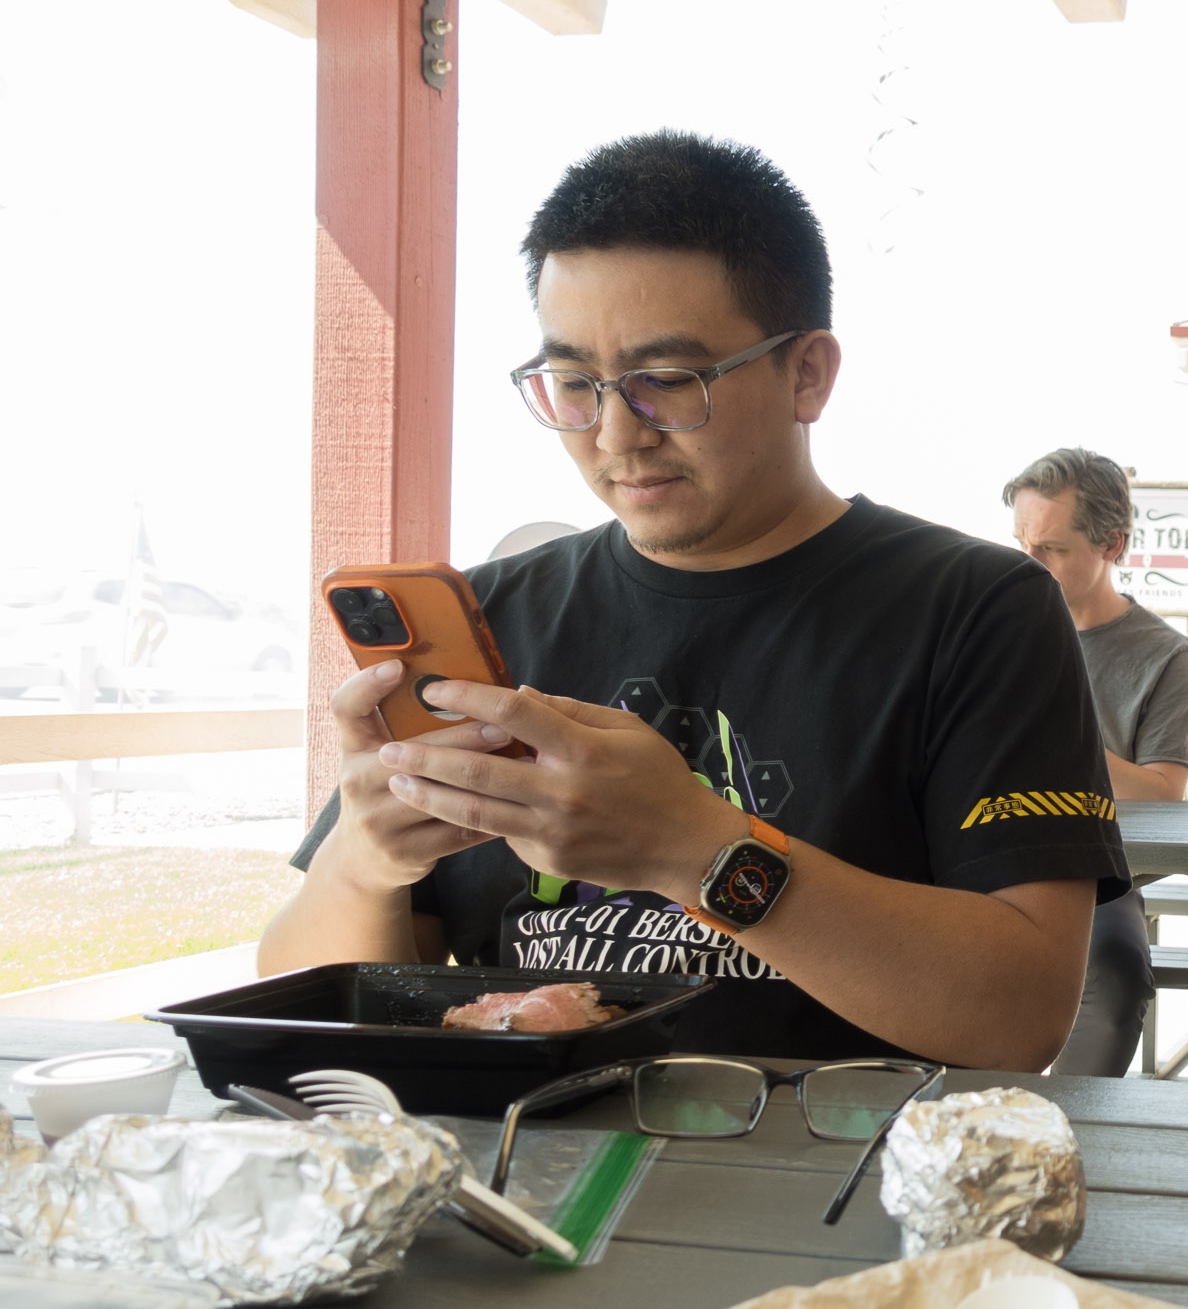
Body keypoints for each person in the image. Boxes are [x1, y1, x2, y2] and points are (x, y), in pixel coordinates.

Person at [261, 131, 1129, 1071]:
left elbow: (1022, 1014)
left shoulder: (977, 608)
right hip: (531, 1169)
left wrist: (697, 852)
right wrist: (367, 859)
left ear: (809, 373)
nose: (616, 433)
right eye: (573, 384)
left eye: (667, 382)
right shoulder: (496, 616)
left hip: (839, 1182)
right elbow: (322, 1004)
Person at [1006, 448, 1188, 1074]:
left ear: (1112, 544)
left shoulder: (1165, 655)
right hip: (972, 856)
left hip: (1095, 873)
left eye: (1052, 550)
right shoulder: (986, 630)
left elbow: (1163, 794)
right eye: (1020, 543)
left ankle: (1060, 1143)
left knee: (1116, 983)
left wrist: (1061, 736)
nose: (1026, 564)